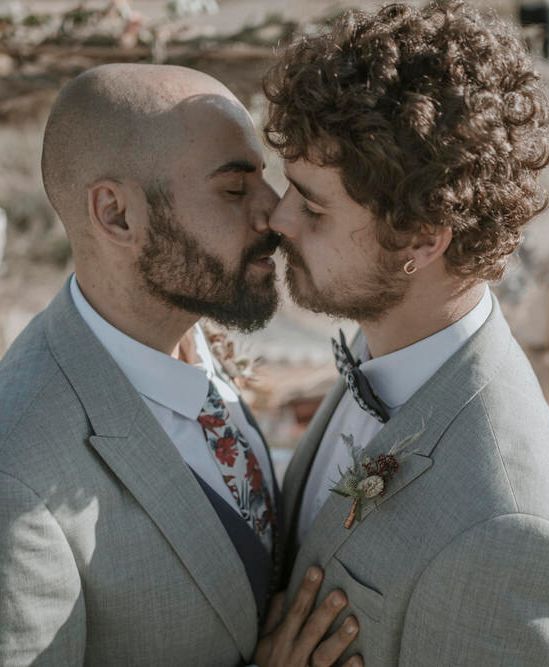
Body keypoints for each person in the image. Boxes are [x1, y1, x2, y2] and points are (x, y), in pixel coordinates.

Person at [264, 2, 549, 665]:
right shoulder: (382, 352)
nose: (278, 219)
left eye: (311, 205)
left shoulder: (508, 525)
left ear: (420, 239)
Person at [0, 64, 362, 667]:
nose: (274, 214)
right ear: (116, 215)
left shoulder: (191, 323)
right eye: (233, 189)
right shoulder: (18, 478)